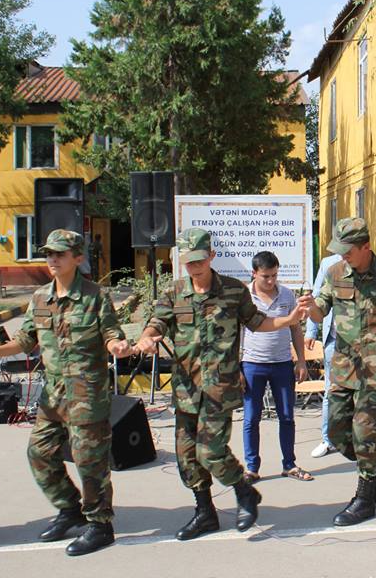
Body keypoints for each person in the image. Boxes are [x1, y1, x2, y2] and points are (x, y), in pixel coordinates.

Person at [133, 228, 306, 541]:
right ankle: (205, 512)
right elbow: (156, 323)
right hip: (186, 390)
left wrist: (288, 320)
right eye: (188, 262)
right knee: (187, 457)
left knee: (210, 451)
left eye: (199, 260)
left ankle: (244, 491)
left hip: (218, 390)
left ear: (211, 256)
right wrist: (146, 338)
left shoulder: (233, 291)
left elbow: (257, 322)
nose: (194, 267)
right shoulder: (174, 293)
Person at [0, 230, 132, 556]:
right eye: (49, 254)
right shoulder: (41, 298)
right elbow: (27, 339)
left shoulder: (94, 296)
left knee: (90, 462)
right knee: (39, 452)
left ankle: (100, 524)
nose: (53, 260)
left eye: (59, 254)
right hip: (54, 394)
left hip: (87, 393)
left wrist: (118, 346)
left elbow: (111, 334)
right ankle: (70, 507)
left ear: (77, 257)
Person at [299, 218, 376, 526]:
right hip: (342, 366)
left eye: (348, 250)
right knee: (338, 435)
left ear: (366, 247)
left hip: (375, 369)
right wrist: (309, 306)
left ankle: (365, 497)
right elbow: (320, 309)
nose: (343, 256)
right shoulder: (335, 272)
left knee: (364, 433)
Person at [240, 251, 312, 484]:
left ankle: (289, 464)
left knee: (287, 416)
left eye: (274, 275)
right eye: (266, 277)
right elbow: (234, 333)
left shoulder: (287, 295)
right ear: (254, 273)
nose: (271, 281)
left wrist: (301, 360)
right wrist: (236, 367)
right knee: (251, 418)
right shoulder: (244, 297)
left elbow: (295, 329)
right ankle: (251, 468)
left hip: (282, 364)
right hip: (252, 364)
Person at [305, 252, 342, 458]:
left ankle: (356, 441)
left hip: (362, 344)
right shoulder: (329, 264)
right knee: (331, 391)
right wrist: (311, 331)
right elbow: (317, 298)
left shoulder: (371, 265)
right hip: (334, 341)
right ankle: (328, 440)